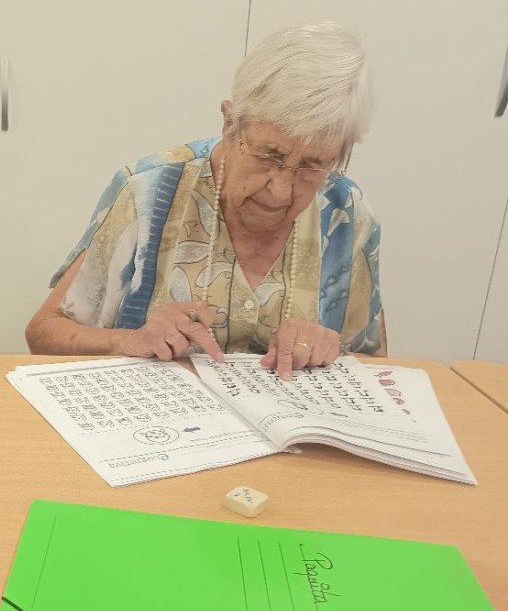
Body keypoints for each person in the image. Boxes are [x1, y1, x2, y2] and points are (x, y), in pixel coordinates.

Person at [26, 22, 385, 380]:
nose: (280, 189)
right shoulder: (149, 190)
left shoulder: (346, 213)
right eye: (268, 154)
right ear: (230, 123)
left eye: (312, 165)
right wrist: (130, 340)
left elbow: (379, 364)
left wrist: (331, 349)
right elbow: (44, 331)